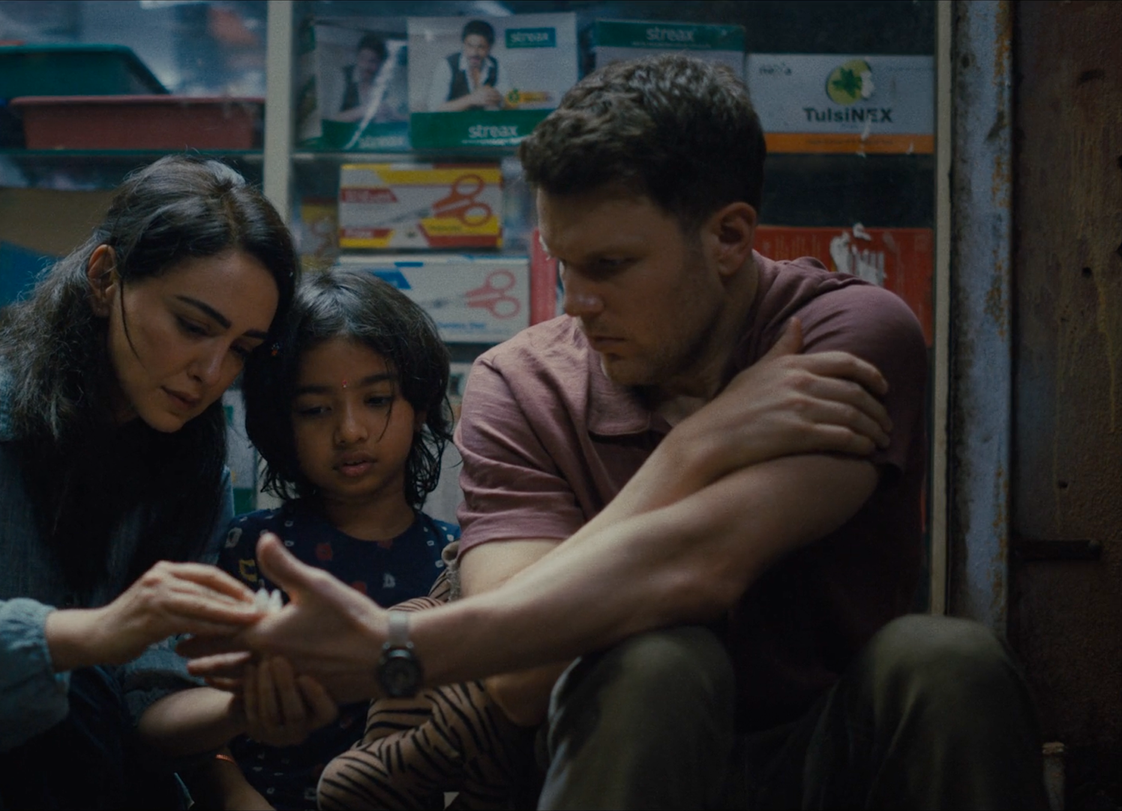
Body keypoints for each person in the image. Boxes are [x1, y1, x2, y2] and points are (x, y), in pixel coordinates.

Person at [184, 55, 1047, 809]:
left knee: (947, 659)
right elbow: (518, 675)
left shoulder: (849, 332)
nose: (577, 303)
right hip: (613, 742)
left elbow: (706, 562)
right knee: (657, 659)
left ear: (729, 236)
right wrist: (700, 443)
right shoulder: (520, 381)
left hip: (828, 749)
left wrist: (396, 650)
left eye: (610, 266)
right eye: (562, 264)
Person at [0, 156, 330, 810]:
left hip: (76, 779)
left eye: (242, 348)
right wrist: (92, 633)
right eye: (193, 326)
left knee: (96, 728)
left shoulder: (194, 479)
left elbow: (145, 719)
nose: (213, 372)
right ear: (105, 278)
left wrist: (243, 706)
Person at [210, 270, 459, 810]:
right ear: (281, 423)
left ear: (419, 405)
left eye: (377, 400)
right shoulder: (251, 549)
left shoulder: (457, 559)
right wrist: (232, 794)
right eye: (315, 410)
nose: (349, 431)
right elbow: (198, 706)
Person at [425, 19, 502, 113]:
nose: (474, 53)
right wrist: (471, 99)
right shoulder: (447, 65)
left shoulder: (496, 65)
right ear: (463, 44)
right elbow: (434, 108)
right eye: (470, 46)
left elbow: (508, 102)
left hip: (484, 122)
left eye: (481, 47)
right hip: (452, 122)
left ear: (489, 47)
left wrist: (499, 99)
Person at [330, 34, 399, 124]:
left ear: (381, 64)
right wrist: (364, 110)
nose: (365, 66)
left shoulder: (386, 81)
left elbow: (401, 117)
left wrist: (392, 115)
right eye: (362, 58)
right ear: (357, 57)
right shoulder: (343, 77)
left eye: (372, 61)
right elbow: (331, 119)